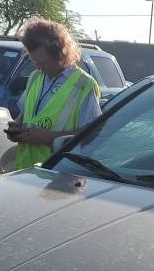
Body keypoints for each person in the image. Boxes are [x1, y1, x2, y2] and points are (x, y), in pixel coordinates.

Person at [6, 18, 102, 169]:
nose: (38, 67)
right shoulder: (35, 77)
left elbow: (92, 135)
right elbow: (25, 116)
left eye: (43, 62)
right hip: (26, 172)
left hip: (58, 173)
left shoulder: (84, 85)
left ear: (61, 54)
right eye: (34, 61)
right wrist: (16, 128)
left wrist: (49, 138)